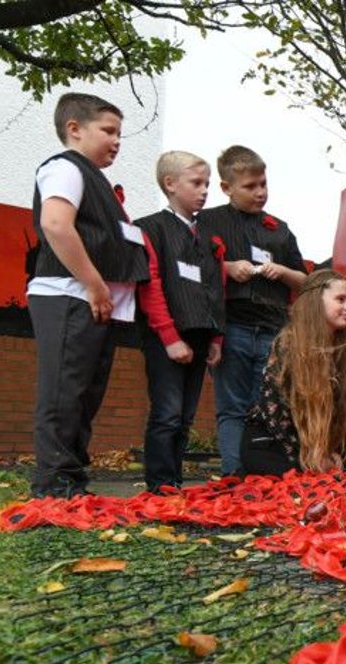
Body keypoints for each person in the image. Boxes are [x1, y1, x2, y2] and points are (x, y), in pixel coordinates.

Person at [27, 92, 149, 498]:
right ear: (74, 129)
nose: (116, 141)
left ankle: (72, 480)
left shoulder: (96, 179)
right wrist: (95, 284)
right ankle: (54, 485)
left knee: (84, 393)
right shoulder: (65, 168)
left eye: (120, 134)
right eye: (108, 131)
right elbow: (57, 225)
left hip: (95, 301)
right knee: (64, 391)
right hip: (69, 295)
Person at [197, 145, 308, 477]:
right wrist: (227, 268)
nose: (260, 193)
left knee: (275, 405)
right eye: (250, 186)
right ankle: (234, 476)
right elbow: (193, 266)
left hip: (274, 327)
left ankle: (268, 476)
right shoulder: (208, 221)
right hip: (231, 325)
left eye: (263, 184)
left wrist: (283, 273)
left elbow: (305, 280)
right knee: (232, 406)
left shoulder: (280, 228)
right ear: (226, 187)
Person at [134, 151, 226, 492]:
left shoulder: (210, 238)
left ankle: (174, 480)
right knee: (167, 413)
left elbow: (217, 287)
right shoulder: (149, 228)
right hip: (167, 338)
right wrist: (170, 337)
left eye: (207, 184)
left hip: (202, 335)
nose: (204, 191)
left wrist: (217, 338)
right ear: (170, 184)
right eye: (196, 183)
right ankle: (159, 483)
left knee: (185, 417)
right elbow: (151, 285)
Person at [240, 269, 346, 475]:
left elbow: (336, 415)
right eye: (340, 299)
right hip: (273, 445)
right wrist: (307, 460)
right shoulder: (288, 344)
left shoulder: (342, 353)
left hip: (312, 452)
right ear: (316, 302)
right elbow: (276, 413)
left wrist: (330, 452)